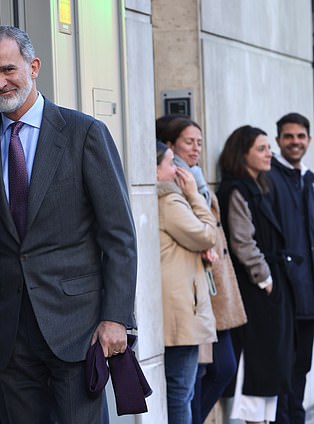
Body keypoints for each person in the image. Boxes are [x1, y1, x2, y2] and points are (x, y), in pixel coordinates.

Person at [0, 25, 137, 423]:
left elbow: (119, 236)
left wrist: (117, 317)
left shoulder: (84, 133)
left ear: (33, 67)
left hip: (78, 329)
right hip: (9, 335)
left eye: (8, 70)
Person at [157, 116, 247, 423]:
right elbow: (206, 234)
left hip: (206, 289)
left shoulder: (190, 179)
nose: (196, 148)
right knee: (188, 383)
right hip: (189, 300)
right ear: (169, 147)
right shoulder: (174, 193)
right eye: (187, 142)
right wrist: (194, 196)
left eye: (199, 142)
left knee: (202, 377)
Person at [217, 125, 295, 424]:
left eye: (268, 148)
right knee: (256, 363)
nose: (269, 155)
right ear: (242, 153)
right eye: (261, 149)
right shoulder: (235, 188)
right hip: (254, 289)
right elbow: (242, 241)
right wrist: (265, 279)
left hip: (269, 285)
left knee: (272, 363)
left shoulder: (261, 185)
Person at [156, 141, 218, 423]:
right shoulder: (169, 199)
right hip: (181, 309)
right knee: (182, 391)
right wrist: (194, 194)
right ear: (155, 170)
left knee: (182, 390)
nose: (177, 169)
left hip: (177, 306)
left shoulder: (164, 199)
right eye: (170, 163)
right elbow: (207, 234)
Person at [267, 113, 314, 424]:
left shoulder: (309, 180)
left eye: (300, 136)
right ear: (278, 140)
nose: (295, 142)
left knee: (301, 368)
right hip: (284, 294)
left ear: (309, 140)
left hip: (309, 297)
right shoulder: (268, 179)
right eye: (289, 136)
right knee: (282, 368)